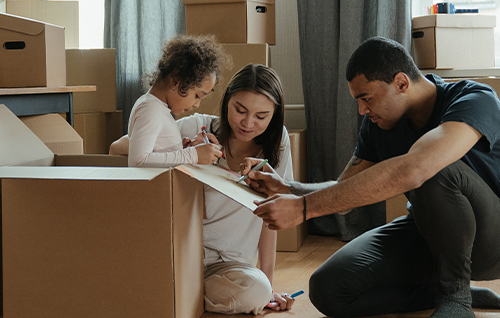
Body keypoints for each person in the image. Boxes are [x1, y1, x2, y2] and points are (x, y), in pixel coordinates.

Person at [242, 37, 500, 318]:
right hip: (429, 233)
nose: (362, 110)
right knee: (329, 288)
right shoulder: (378, 124)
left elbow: (416, 168)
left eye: (366, 98)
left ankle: (456, 298)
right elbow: (345, 193)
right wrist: (292, 189)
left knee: (434, 167)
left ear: (401, 83)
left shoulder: (475, 99)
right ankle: (440, 290)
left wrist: (304, 209)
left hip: (492, 239)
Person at [110, 64, 296, 314]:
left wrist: (269, 287)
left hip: (229, 267)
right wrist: (185, 151)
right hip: (182, 256)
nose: (248, 123)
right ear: (226, 101)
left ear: (274, 115)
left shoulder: (278, 144)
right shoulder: (197, 127)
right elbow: (118, 148)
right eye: (239, 110)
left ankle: (176, 294)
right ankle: (177, 292)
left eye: (261, 116)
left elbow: (270, 217)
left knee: (257, 291)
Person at [120, 34, 230, 167]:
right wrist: (193, 155)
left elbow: (157, 155)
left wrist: (180, 150)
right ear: (176, 81)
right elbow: (138, 161)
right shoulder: (151, 109)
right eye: (197, 96)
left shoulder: (158, 108)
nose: (197, 104)